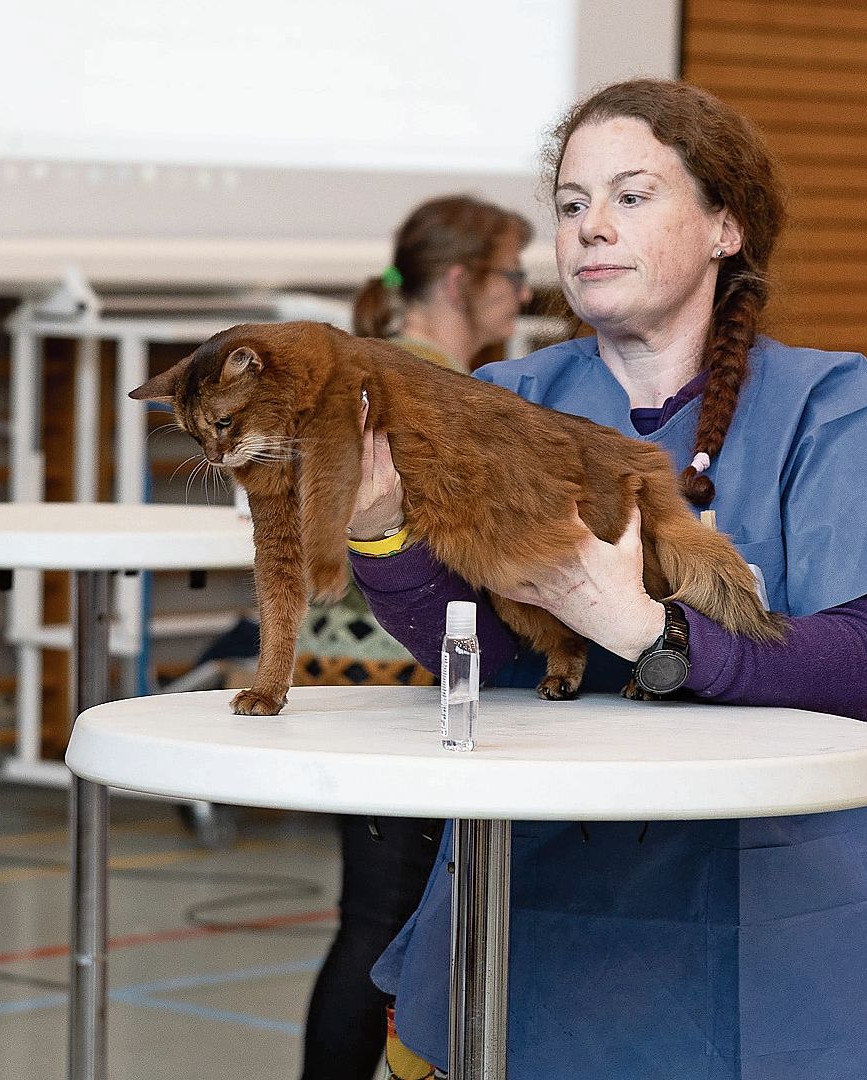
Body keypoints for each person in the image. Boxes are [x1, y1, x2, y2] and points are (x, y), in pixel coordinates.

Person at [346, 79, 867, 1077]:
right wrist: (383, 536)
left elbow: (857, 660)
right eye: (572, 203)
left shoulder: (833, 406)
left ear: (724, 227)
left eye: (631, 197)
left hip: (770, 926)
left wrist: (647, 632)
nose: (590, 227)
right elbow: (486, 656)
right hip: (535, 902)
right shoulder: (498, 399)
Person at [299, 195, 533, 1080]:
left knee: (371, 922)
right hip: (399, 680)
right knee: (382, 931)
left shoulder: (372, 366)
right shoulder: (429, 386)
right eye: (512, 275)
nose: (523, 294)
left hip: (342, 674)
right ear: (462, 281)